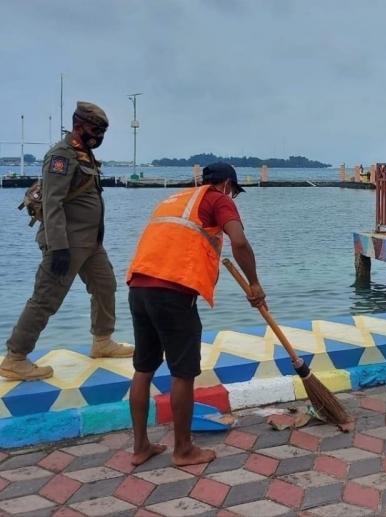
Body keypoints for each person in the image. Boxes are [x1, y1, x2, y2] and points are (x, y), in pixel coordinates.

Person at [126, 163, 266, 466]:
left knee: (144, 367)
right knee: (183, 372)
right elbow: (239, 242)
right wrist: (254, 283)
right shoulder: (218, 198)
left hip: (138, 286)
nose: (233, 198)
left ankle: (140, 447)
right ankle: (184, 449)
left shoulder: (177, 199)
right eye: (234, 192)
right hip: (173, 293)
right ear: (227, 183)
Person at [1, 102, 132, 381]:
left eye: (103, 131)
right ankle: (15, 357)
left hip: (91, 243)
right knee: (46, 298)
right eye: (95, 129)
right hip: (66, 244)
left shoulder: (84, 155)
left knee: (105, 285)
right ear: (79, 126)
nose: (99, 136)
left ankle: (102, 341)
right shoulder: (61, 156)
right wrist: (58, 246)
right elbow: (52, 203)